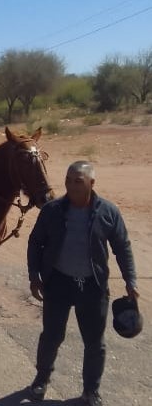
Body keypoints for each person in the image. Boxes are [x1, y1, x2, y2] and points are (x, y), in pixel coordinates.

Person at [27, 161, 140, 406]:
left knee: (94, 342)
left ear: (91, 183)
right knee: (52, 336)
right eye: (68, 180)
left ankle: (91, 391)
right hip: (58, 282)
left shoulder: (108, 212)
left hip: (93, 286)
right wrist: (34, 276)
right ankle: (41, 379)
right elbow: (35, 242)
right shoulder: (52, 210)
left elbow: (122, 247)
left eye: (77, 181)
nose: (70, 185)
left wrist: (130, 280)